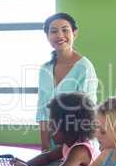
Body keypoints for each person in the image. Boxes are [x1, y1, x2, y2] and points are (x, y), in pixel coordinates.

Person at [36, 12, 98, 152]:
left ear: (74, 33)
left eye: (65, 30)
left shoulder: (84, 67)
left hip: (79, 146)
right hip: (54, 144)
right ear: (47, 36)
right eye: (53, 31)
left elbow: (86, 114)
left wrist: (71, 151)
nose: (59, 35)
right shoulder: (44, 69)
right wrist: (45, 147)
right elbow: (43, 112)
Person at [12, 93, 100, 166]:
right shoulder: (68, 145)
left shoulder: (81, 150)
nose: (49, 128)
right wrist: (26, 164)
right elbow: (47, 157)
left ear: (69, 128)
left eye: (53, 125)